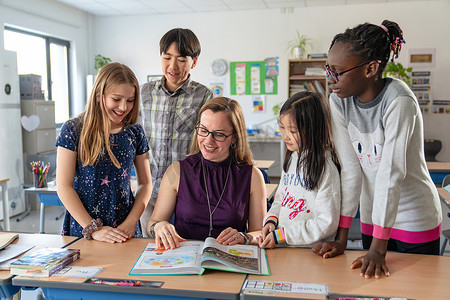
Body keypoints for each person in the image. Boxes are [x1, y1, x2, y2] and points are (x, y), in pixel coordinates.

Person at [313, 20, 442, 278]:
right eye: (329, 70)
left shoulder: (399, 101)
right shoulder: (339, 102)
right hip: (374, 218)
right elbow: (350, 170)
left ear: (370, 68)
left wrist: (378, 249)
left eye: (338, 72)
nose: (331, 79)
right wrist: (342, 238)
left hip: (414, 218)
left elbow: (391, 173)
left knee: (415, 293)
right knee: (374, 291)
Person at [146, 97, 267, 249]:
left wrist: (245, 237)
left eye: (219, 134)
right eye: (203, 131)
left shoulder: (253, 176)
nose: (208, 141)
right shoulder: (176, 171)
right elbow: (152, 223)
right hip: (182, 258)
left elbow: (261, 233)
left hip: (230, 260)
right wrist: (158, 227)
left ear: (234, 137)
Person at [56, 62, 153, 243]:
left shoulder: (135, 132)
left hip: (125, 229)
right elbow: (63, 186)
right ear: (100, 95)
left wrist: (131, 222)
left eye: (130, 100)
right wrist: (93, 228)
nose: (123, 107)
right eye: (116, 99)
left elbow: (146, 183)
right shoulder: (73, 129)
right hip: (83, 228)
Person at [139, 28, 214, 236]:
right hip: (149, 189)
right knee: (151, 246)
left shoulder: (204, 96)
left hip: (187, 190)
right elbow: (135, 138)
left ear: (194, 62)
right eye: (167, 57)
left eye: (181, 59)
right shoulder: (143, 93)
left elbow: (207, 143)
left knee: (183, 245)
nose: (173, 66)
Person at [257, 91, 341, 249]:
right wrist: (271, 220)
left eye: (293, 131)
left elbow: (326, 223)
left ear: (313, 130)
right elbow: (281, 198)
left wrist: (282, 235)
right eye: (282, 127)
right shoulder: (292, 159)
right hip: (286, 246)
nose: (286, 136)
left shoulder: (325, 169)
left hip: (312, 251)